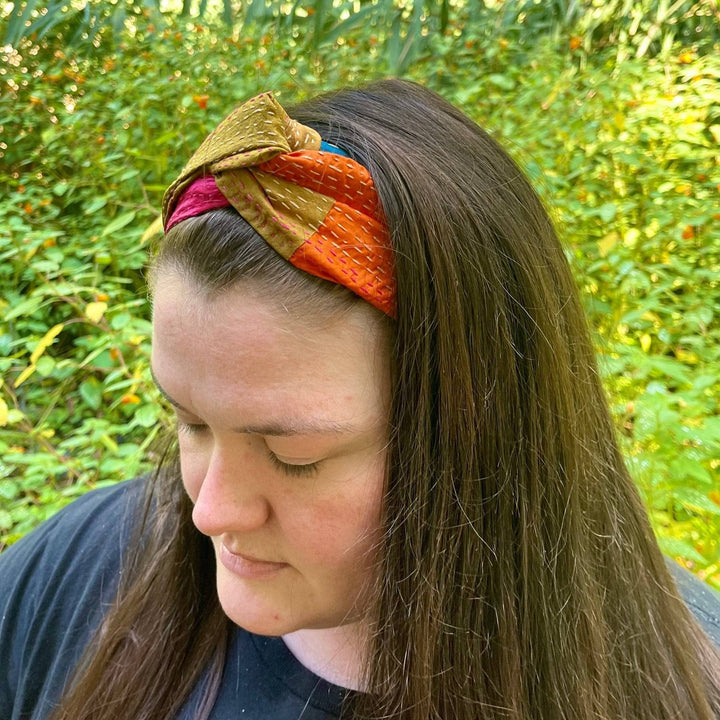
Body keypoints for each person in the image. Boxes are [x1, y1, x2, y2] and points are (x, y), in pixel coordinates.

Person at [1, 79, 719, 720]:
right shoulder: (81, 572)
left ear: (485, 433)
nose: (210, 510)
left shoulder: (685, 683)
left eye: (295, 457)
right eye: (189, 422)